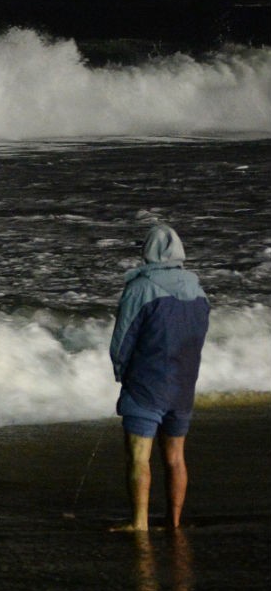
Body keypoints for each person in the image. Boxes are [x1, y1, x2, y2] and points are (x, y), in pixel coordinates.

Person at [109, 223, 209, 531]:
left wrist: (121, 373)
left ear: (147, 251)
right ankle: (174, 520)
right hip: (183, 385)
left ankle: (139, 522)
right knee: (175, 457)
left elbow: (122, 340)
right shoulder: (198, 290)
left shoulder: (140, 288)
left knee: (139, 457)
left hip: (146, 384)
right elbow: (199, 336)